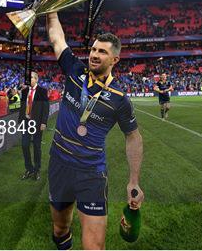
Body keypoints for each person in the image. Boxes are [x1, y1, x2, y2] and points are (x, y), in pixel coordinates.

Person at [46, 13, 144, 250]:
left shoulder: (120, 100)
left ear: (115, 60)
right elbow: (57, 39)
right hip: (59, 163)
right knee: (60, 230)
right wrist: (52, 11)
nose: (94, 55)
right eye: (93, 49)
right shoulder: (74, 70)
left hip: (91, 172)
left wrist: (134, 180)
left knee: (94, 247)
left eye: (102, 52)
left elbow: (133, 136)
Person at [19, 72, 49, 181]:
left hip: (37, 123)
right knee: (24, 145)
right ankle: (29, 169)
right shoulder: (25, 91)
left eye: (31, 78)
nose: (29, 80)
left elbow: (46, 108)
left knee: (37, 146)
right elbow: (23, 107)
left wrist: (44, 122)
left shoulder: (42, 91)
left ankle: (37, 170)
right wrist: (21, 121)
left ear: (36, 79)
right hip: (26, 122)